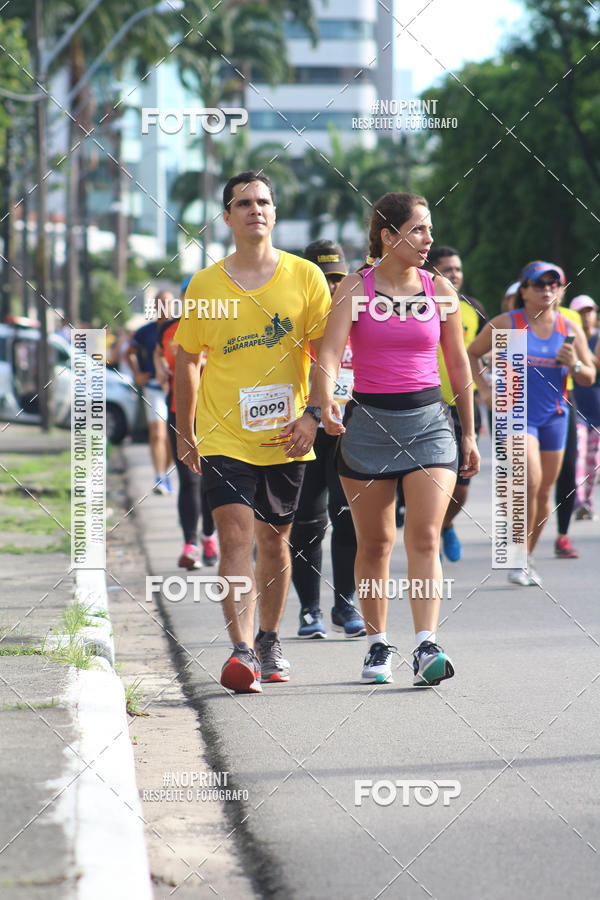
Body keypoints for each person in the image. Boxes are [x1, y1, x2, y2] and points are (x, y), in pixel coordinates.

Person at [174, 171, 331, 694]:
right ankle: (240, 650)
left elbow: (328, 355)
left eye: (263, 201)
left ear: (274, 212)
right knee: (235, 535)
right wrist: (185, 428)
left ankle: (268, 637)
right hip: (223, 435)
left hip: (286, 434)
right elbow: (188, 360)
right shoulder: (204, 285)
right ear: (227, 217)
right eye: (243, 203)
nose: (255, 210)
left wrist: (313, 413)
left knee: (274, 539)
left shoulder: (305, 276)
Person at [316, 192, 480, 686]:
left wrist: (469, 432)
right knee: (375, 541)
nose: (429, 240)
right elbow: (328, 353)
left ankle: (427, 643)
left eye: (429, 230)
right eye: (419, 230)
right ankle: (376, 644)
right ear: (388, 236)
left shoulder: (439, 290)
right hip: (368, 424)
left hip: (430, 421)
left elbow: (458, 366)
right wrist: (325, 400)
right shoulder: (353, 288)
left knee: (424, 534)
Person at [468, 261, 595, 587]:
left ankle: (523, 557)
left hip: (555, 415)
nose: (547, 290)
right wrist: (484, 389)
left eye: (554, 284)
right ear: (524, 289)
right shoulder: (508, 324)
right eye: (539, 284)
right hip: (516, 414)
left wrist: (576, 363)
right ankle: (516, 552)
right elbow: (472, 353)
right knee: (530, 480)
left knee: (544, 494)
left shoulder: (569, 328)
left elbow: (590, 374)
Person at [290, 240, 364, 639]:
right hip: (304, 432)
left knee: (348, 518)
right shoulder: (290, 318)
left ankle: (345, 603)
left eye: (337, 277)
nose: (331, 286)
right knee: (305, 524)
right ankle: (309, 609)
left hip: (350, 434)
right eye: (321, 277)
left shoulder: (363, 316)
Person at [425, 246, 488, 562]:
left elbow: (481, 354)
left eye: (458, 269)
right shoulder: (417, 302)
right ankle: (428, 538)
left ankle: (446, 525)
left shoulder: (472, 308)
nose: (454, 275)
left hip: (463, 404)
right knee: (431, 482)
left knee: (461, 487)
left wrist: (486, 394)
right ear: (433, 272)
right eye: (447, 269)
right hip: (425, 406)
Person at [155, 278, 219, 569]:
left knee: (210, 480)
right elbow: (160, 351)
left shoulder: (219, 324)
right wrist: (160, 368)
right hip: (179, 412)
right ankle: (190, 544)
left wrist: (202, 364)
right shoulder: (169, 329)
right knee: (189, 480)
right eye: (186, 297)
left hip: (215, 414)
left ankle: (208, 535)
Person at [126, 290, 174, 495]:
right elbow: (129, 353)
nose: (164, 307)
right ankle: (159, 476)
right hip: (153, 388)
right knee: (157, 433)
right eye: (160, 303)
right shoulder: (145, 332)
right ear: (154, 307)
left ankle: (167, 472)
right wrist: (137, 374)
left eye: (168, 303)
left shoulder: (180, 329)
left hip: (175, 389)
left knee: (173, 436)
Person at [570, 295, 600, 520]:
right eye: (581, 312)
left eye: (589, 311)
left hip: (597, 410)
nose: (586, 316)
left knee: (594, 460)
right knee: (579, 453)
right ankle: (578, 500)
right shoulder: (568, 338)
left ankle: (587, 501)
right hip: (577, 408)